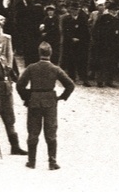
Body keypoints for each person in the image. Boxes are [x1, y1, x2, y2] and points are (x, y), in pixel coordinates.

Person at [16, 42, 75, 170]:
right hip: (50, 102)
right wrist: (62, 97)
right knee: (51, 133)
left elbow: (19, 85)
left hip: (35, 101)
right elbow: (70, 85)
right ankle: (52, 162)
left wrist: (27, 97)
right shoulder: (55, 69)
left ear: (39, 53)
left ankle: (31, 162)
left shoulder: (32, 68)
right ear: (51, 53)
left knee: (33, 132)